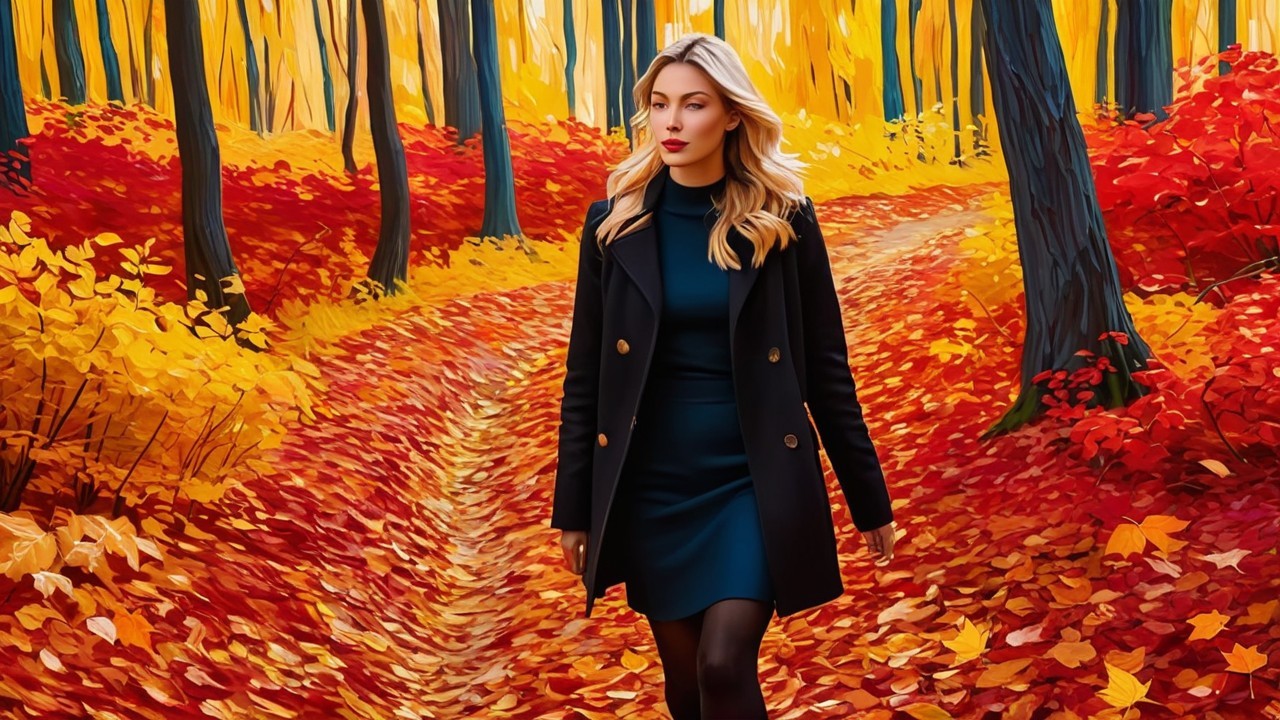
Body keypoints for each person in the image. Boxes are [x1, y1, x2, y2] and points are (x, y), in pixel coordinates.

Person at [550, 32, 896, 720]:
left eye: (694, 104)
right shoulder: (614, 224)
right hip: (653, 481)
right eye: (660, 104)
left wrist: (869, 497)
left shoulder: (782, 221)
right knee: (686, 683)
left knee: (723, 663)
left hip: (751, 476)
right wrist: (574, 507)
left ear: (732, 115)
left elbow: (826, 370)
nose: (672, 123)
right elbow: (586, 376)